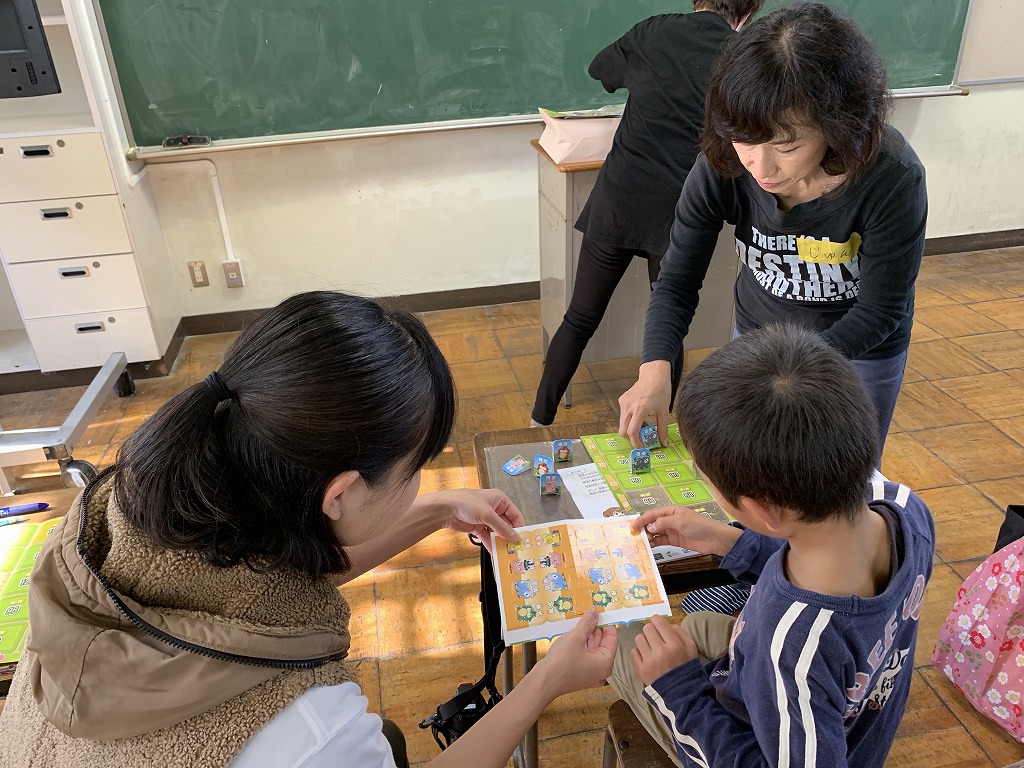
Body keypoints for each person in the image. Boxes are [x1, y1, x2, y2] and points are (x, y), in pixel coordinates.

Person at [0, 291, 618, 768]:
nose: (419, 482)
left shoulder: (133, 508)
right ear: (338, 495)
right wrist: (547, 681)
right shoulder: (310, 732)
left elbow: (281, 584)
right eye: (415, 471)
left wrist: (437, 508)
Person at [609, 324, 935, 767]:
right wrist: (733, 541)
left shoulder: (791, 646)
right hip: (824, 703)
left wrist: (678, 688)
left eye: (705, 477)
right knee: (697, 625)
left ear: (763, 509)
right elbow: (824, 561)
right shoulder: (906, 508)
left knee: (620, 643)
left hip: (760, 738)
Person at [618, 2, 928, 462]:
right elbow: (677, 280)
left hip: (860, 352)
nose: (760, 168)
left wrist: (783, 373)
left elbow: (881, 309)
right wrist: (654, 368)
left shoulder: (891, 177)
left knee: (843, 477)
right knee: (755, 468)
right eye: (745, 140)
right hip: (759, 335)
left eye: (787, 147)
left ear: (836, 127)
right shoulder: (723, 165)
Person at [530, 0, 765, 427]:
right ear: (747, 15)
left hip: (620, 198)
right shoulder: (741, 56)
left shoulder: (654, 31)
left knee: (580, 317)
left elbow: (600, 70)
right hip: (682, 210)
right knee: (668, 323)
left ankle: (539, 418)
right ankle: (657, 430)